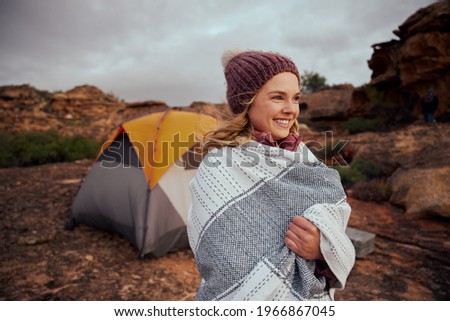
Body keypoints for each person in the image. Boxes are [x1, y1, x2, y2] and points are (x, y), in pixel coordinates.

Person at [187, 49, 355, 301]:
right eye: (278, 97)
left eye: (295, 98)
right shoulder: (219, 167)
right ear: (247, 101)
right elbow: (223, 261)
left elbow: (335, 236)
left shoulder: (304, 158)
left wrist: (322, 250)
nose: (291, 109)